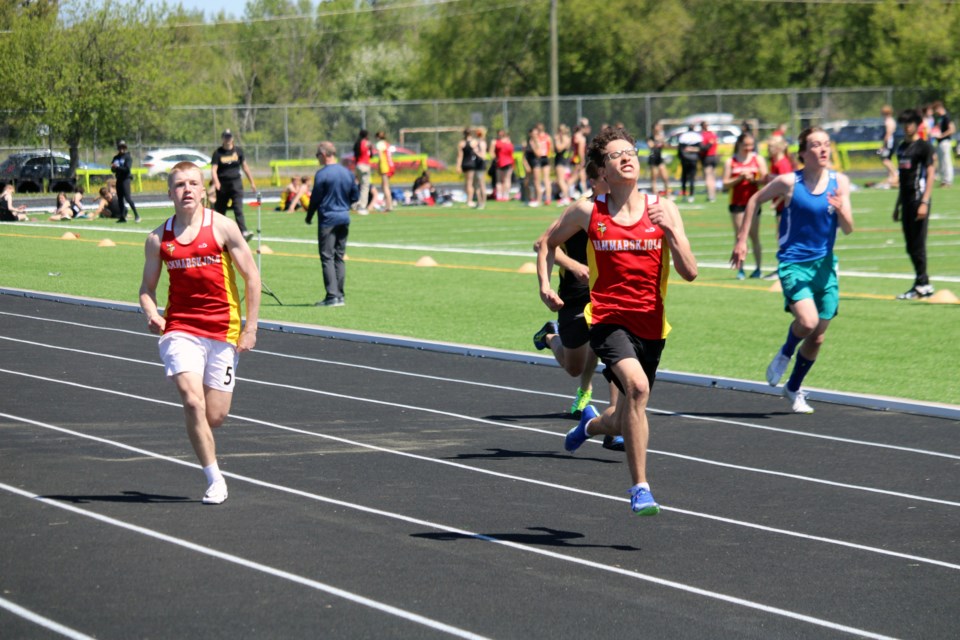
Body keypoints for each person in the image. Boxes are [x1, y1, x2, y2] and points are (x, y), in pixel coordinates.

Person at [543, 127, 698, 516]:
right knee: (638, 389)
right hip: (608, 320)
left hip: (652, 324)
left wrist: (672, 233)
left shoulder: (663, 207)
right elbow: (546, 242)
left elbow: (690, 272)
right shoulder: (588, 211)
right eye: (616, 155)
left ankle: (591, 425)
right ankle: (640, 489)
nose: (627, 157)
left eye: (631, 151)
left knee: (627, 411)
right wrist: (544, 284)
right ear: (604, 171)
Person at [138, 161, 261, 505]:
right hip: (181, 328)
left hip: (223, 329)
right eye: (179, 185)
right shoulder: (157, 238)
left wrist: (250, 328)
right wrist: (152, 313)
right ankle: (214, 478)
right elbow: (146, 288)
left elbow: (252, 276)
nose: (187, 190)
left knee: (215, 416)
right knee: (192, 400)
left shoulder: (223, 227)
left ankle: (200, 430)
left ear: (204, 190)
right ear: (170, 193)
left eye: (193, 183)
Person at [731, 127, 854, 414]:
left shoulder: (840, 182)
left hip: (825, 267)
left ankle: (794, 387)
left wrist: (841, 210)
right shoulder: (789, 182)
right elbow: (753, 200)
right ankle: (786, 352)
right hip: (793, 264)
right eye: (815, 145)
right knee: (807, 322)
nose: (823, 149)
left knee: (818, 337)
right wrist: (741, 240)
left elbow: (848, 229)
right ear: (802, 152)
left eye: (826, 144)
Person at [306, 141, 359, 307]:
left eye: (317, 155)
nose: (317, 159)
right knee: (339, 256)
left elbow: (315, 199)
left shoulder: (322, 174)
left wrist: (309, 216)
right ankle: (340, 295)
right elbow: (355, 196)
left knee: (327, 256)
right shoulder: (347, 173)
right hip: (344, 217)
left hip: (328, 219)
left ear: (323, 155)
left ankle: (332, 296)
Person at [893, 108, 936, 300]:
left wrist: (925, 201)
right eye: (904, 123)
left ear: (917, 125)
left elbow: (931, 174)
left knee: (918, 244)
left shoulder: (924, 147)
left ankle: (923, 284)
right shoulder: (901, 147)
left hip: (920, 199)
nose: (906, 127)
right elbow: (902, 180)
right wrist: (897, 205)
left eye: (910, 123)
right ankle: (920, 282)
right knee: (910, 245)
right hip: (907, 200)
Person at [722, 132, 767, 279]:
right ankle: (740, 269)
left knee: (754, 236)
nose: (748, 148)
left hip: (753, 203)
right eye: (745, 145)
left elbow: (765, 179)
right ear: (739, 145)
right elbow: (725, 183)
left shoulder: (757, 159)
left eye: (750, 145)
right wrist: (739, 178)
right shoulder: (731, 161)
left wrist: (754, 179)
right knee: (740, 236)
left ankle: (758, 268)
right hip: (737, 204)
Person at [211, 129, 258, 241]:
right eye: (225, 137)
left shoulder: (238, 151)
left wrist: (252, 182)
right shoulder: (218, 153)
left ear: (232, 138)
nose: (228, 139)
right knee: (221, 209)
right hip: (223, 185)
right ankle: (217, 231)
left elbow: (245, 167)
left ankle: (243, 231)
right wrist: (216, 182)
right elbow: (213, 169)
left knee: (238, 208)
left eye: (229, 137)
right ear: (222, 138)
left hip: (236, 184)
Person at [110, 140, 140, 224]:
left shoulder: (127, 157)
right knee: (120, 199)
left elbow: (127, 169)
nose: (121, 149)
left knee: (128, 198)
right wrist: (113, 168)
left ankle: (136, 215)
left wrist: (117, 167)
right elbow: (112, 169)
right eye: (120, 147)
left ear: (125, 148)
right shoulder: (116, 158)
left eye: (123, 147)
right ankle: (122, 217)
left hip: (125, 179)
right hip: (119, 179)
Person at [931, 100, 955, 187]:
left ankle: (948, 181)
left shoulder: (946, 117)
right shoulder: (940, 118)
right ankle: (944, 180)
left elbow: (952, 129)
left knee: (946, 161)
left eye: (935, 109)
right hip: (939, 142)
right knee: (941, 162)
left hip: (945, 141)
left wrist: (941, 135)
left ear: (939, 108)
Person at [677, 124, 702, 203]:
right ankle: (691, 195)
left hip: (685, 159)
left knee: (684, 178)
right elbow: (700, 148)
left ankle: (684, 195)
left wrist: (682, 156)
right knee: (692, 178)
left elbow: (680, 149)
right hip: (693, 159)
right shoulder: (697, 136)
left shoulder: (683, 136)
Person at [878, 105, 899, 189]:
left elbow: (888, 134)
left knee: (885, 159)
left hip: (890, 142)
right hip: (891, 141)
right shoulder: (890, 120)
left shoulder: (888, 121)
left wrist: (883, 146)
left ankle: (895, 173)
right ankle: (891, 177)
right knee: (888, 158)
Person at [647, 123, 670, 196]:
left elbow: (666, 146)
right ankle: (655, 194)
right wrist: (657, 141)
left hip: (660, 159)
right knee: (654, 178)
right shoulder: (650, 137)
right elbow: (650, 145)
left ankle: (668, 194)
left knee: (665, 177)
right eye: (658, 127)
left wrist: (662, 141)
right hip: (653, 158)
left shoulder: (661, 137)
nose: (659, 128)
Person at [353, 129, 372, 215]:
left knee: (359, 185)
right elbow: (370, 155)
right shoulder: (366, 143)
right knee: (365, 187)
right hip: (365, 165)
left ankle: (355, 203)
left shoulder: (357, 143)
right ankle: (362, 206)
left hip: (358, 165)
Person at [492, 129, 515, 202]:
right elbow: (492, 152)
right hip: (501, 162)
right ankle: (500, 195)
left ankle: (504, 195)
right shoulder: (497, 142)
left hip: (507, 162)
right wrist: (495, 159)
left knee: (505, 179)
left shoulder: (506, 141)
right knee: (501, 180)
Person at [699, 121, 719, 202]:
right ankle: (713, 195)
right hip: (714, 156)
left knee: (708, 177)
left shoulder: (702, 135)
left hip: (707, 157)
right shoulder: (712, 134)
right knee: (713, 177)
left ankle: (710, 196)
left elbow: (702, 148)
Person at [375, 131, 394, 212]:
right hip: (390, 165)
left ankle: (389, 206)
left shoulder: (379, 144)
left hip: (384, 166)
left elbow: (380, 156)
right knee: (385, 186)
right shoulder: (387, 143)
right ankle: (388, 205)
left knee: (385, 187)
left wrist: (379, 167)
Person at [554, 123, 573, 205]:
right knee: (561, 180)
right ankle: (565, 197)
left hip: (561, 160)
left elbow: (559, 148)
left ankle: (566, 197)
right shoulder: (565, 138)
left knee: (561, 180)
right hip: (560, 160)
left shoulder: (565, 138)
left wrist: (556, 140)